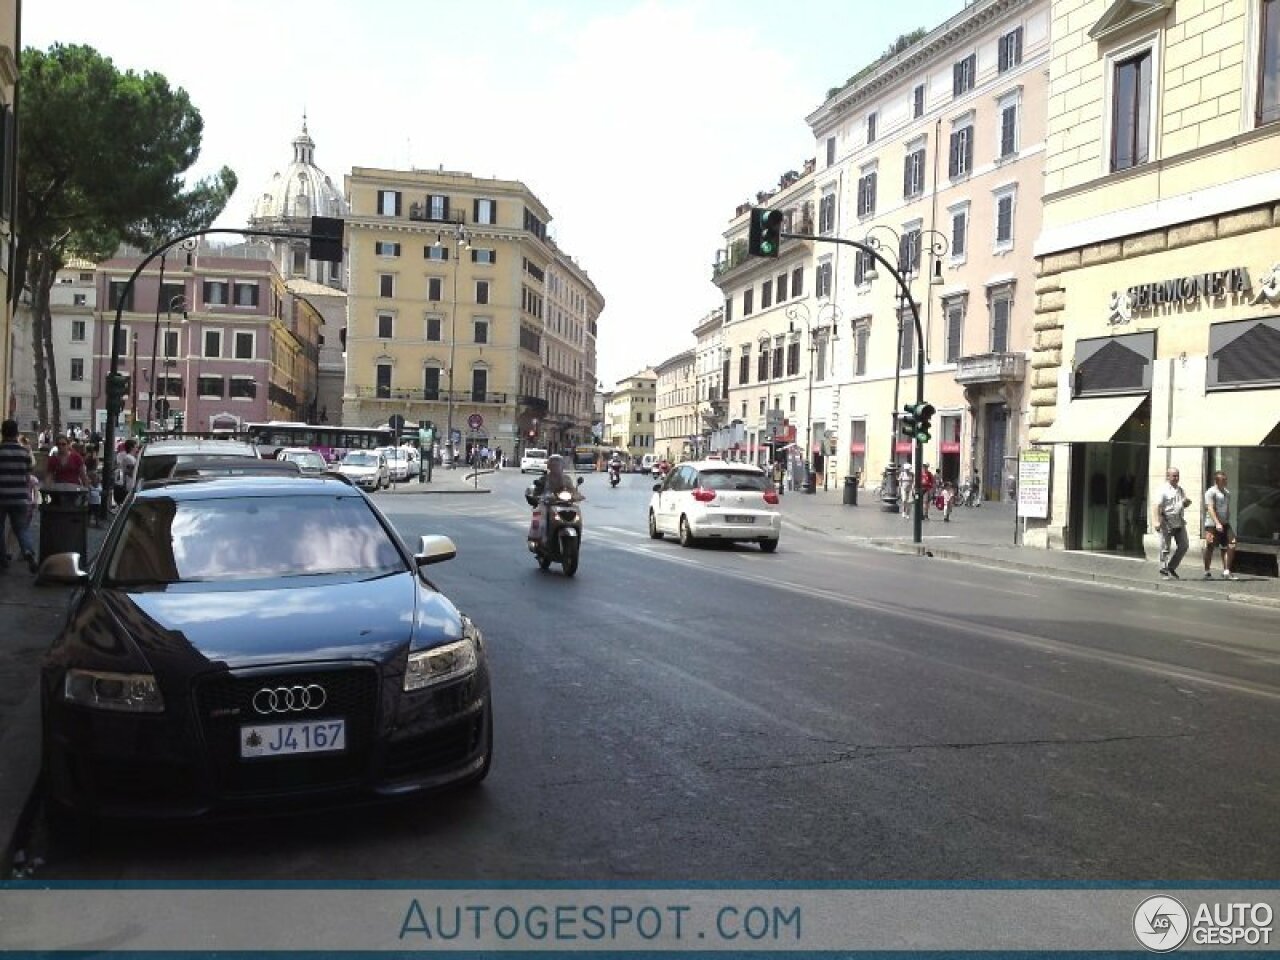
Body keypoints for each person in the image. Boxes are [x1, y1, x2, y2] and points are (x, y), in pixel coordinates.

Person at [0, 420, 40, 573]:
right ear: (16, 433)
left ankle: (3, 559)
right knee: (22, 528)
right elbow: (28, 476)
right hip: (20, 496)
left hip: (1, 496)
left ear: (3, 432)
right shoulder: (24, 453)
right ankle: (28, 551)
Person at [1153, 467, 1193, 579]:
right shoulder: (1163, 490)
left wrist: (1186, 503)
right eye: (1174, 476)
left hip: (1179, 520)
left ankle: (1171, 567)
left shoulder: (1180, 489)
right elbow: (1156, 505)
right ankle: (1163, 570)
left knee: (1184, 545)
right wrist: (1156, 521)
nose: (1176, 478)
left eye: (1177, 476)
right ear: (1168, 476)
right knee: (1165, 547)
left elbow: (1182, 504)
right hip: (1166, 520)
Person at [1202, 469, 1238, 580]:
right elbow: (1210, 508)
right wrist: (1217, 523)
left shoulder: (1227, 493)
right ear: (1217, 481)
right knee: (1210, 546)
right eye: (1223, 480)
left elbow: (1227, 508)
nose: (1225, 482)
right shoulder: (1211, 492)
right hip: (1212, 524)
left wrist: (1226, 520)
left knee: (1232, 543)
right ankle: (1207, 571)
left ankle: (1226, 571)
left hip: (1225, 523)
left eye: (1226, 480)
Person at [114, 438, 139, 506]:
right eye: (136, 447)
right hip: (130, 485)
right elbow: (132, 473)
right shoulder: (128, 458)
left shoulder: (132, 458)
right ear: (131, 447)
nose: (137, 449)